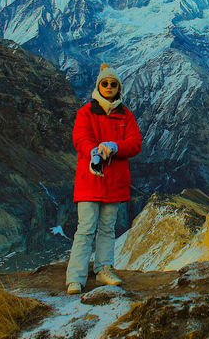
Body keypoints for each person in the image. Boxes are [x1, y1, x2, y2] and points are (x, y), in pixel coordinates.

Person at [66, 63, 142, 295]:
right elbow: (80, 138)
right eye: (105, 83)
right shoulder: (86, 112)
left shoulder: (126, 115)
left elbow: (135, 143)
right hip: (91, 179)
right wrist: (95, 151)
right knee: (86, 228)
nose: (109, 87)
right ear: (98, 86)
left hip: (115, 182)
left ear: (119, 88)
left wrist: (115, 146)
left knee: (107, 228)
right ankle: (75, 278)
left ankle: (103, 270)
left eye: (113, 84)